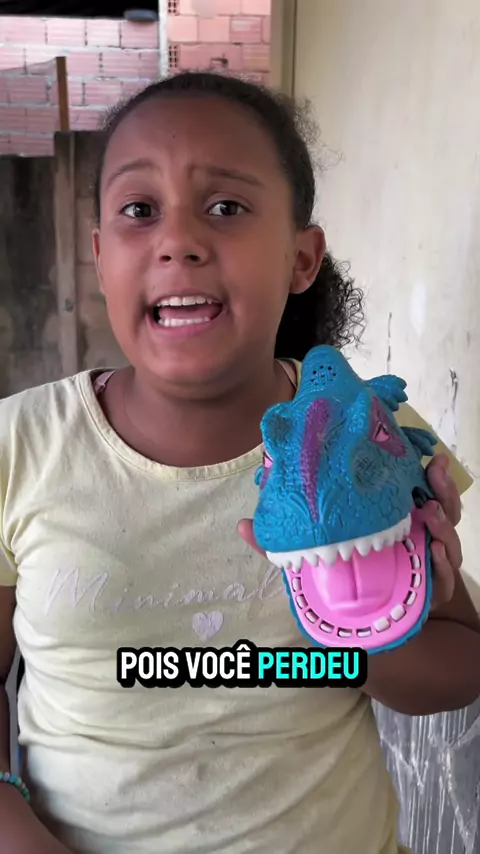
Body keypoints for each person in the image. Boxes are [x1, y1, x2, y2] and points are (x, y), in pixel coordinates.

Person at [0, 71, 478, 854]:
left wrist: (374, 614)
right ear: (100, 256)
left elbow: (462, 664)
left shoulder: (373, 435)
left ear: (301, 257)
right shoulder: (18, 447)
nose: (178, 241)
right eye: (139, 210)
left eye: (225, 207)